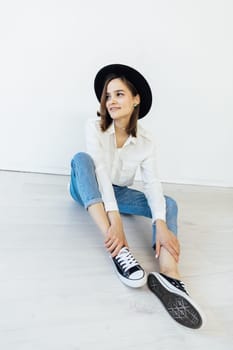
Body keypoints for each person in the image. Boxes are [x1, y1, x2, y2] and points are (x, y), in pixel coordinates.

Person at [69, 64, 205, 329]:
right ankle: (120, 252)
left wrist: (161, 223)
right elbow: (100, 172)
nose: (111, 101)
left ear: (136, 99)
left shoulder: (147, 140)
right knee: (81, 160)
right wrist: (115, 221)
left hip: (118, 194)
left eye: (119, 94)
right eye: (108, 96)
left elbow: (152, 183)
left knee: (168, 204)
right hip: (87, 187)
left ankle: (169, 275)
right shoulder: (93, 126)